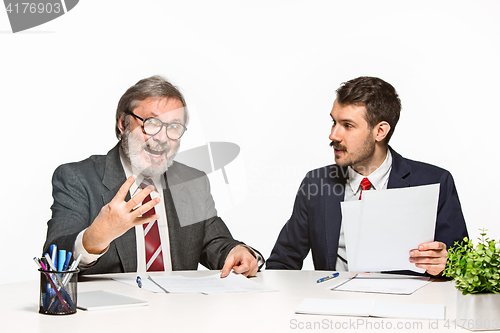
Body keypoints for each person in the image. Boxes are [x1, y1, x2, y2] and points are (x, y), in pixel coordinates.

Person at [43, 75, 262, 277]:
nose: (162, 138)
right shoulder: (78, 178)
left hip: (180, 313)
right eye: (152, 123)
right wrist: (94, 238)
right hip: (110, 317)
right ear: (123, 123)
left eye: (174, 127)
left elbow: (216, 243)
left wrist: (238, 251)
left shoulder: (192, 182)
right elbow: (53, 258)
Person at [266, 76, 468, 276]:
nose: (333, 135)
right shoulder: (316, 182)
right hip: (333, 304)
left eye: (347, 125)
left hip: (404, 306)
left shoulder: (435, 182)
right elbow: (281, 263)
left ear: (380, 131)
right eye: (334, 122)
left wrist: (447, 263)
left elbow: (464, 265)